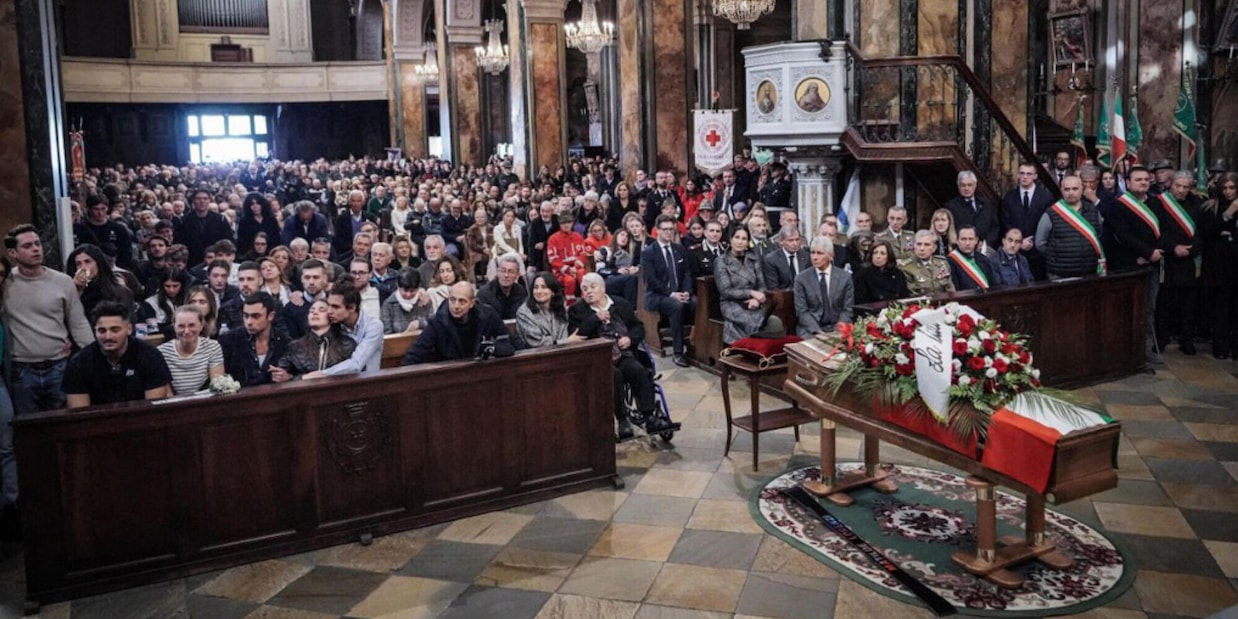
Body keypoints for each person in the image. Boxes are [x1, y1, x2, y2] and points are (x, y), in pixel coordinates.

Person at [569, 273, 676, 440]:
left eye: (592, 287)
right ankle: (622, 419)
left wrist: (630, 339)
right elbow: (577, 335)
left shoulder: (620, 304)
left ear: (603, 288)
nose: (588, 292)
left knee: (638, 370)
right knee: (615, 376)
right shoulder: (577, 310)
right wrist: (595, 318)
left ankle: (649, 417)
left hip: (623, 353)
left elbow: (638, 327)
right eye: (584, 289)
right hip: (598, 359)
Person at [3, 224, 95, 415]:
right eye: (27, 246)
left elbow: (78, 322)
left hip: (58, 365)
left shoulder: (62, 281)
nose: (36, 249)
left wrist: (92, 355)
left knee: (63, 426)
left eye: (37, 244)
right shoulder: (5, 282)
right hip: (21, 369)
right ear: (13, 252)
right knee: (29, 430)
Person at [1101, 165, 1163, 365]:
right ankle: (1122, 350)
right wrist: (1145, 253)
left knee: (1149, 308)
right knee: (1126, 308)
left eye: (1146, 179)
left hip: (1152, 265)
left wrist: (1154, 254)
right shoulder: (1118, 205)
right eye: (1138, 179)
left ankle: (1144, 350)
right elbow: (1122, 235)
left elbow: (1163, 232)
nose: (1143, 182)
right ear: (1128, 183)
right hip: (1127, 265)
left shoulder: (1156, 203)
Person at [63, 301, 172, 407]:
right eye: (102, 331)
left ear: (129, 329)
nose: (108, 336)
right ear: (94, 331)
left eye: (115, 330)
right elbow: (79, 415)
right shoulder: (80, 362)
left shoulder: (150, 356)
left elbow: (154, 410)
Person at [401, 281, 508, 365]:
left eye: (462, 301)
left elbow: (509, 340)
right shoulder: (438, 322)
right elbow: (415, 354)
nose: (456, 306)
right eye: (452, 300)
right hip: (449, 377)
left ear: (472, 303)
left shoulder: (487, 314)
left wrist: (492, 349)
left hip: (479, 373)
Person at [1155, 171, 1203, 355]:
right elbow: (1157, 230)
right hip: (1168, 260)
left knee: (1189, 303)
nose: (1181, 190)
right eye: (1178, 186)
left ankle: (1187, 339)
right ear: (1171, 184)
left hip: (1191, 261)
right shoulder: (1159, 203)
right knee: (1165, 302)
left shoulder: (1198, 204)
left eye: (1186, 187)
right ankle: (1162, 337)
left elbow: (1202, 232)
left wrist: (1191, 249)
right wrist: (1173, 247)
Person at [642, 214, 695, 367]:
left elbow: (686, 273)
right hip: (656, 295)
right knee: (675, 305)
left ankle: (695, 346)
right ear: (657, 230)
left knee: (697, 303)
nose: (669, 232)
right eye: (665, 229)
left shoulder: (679, 249)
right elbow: (651, 280)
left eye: (671, 229)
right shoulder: (649, 252)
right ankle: (678, 352)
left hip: (679, 293)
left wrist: (686, 291)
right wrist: (672, 294)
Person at [715, 226, 782, 344]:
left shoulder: (753, 258)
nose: (740, 242)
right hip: (732, 304)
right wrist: (751, 293)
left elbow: (762, 284)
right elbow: (725, 291)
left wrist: (757, 299)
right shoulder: (721, 261)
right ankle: (749, 348)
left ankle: (764, 350)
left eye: (744, 239)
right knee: (756, 323)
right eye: (737, 237)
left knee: (776, 322)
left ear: (748, 242)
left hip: (754, 302)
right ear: (731, 239)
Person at [1035, 175, 1105, 280]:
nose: (1071, 192)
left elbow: (1098, 235)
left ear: (1082, 189)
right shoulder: (1051, 213)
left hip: (1089, 272)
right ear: (1061, 190)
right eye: (1067, 189)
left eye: (1075, 189)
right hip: (1060, 274)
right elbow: (1040, 243)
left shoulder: (1094, 211)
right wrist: (1056, 256)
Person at [1199, 172, 1238, 358]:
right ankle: (1221, 347)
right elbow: (1208, 232)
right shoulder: (1211, 207)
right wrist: (1227, 215)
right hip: (1219, 267)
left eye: (1232, 187)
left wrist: (1229, 235)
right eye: (1225, 188)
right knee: (1221, 309)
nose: (1228, 192)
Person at [219, 292, 291, 387]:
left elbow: (295, 372)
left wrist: (288, 377)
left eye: (255, 316)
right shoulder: (228, 341)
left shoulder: (283, 341)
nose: (249, 322)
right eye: (246, 316)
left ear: (271, 316)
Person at [278, 299, 358, 379]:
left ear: (331, 316)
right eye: (311, 311)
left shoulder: (347, 344)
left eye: (321, 310)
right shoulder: (295, 347)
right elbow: (280, 377)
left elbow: (358, 374)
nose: (315, 313)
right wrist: (302, 378)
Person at [793, 236, 854, 338]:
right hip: (811, 329)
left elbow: (847, 309)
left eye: (820, 253)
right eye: (812, 252)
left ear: (831, 256)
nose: (814, 257)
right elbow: (802, 312)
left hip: (838, 327)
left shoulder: (845, 278)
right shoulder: (801, 279)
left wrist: (838, 330)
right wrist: (818, 331)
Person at [1002, 162, 1054, 280]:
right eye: (1022, 173)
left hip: (1038, 253)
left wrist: (1033, 241)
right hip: (1015, 251)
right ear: (1018, 175)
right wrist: (1019, 242)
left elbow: (1049, 224)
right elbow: (1005, 222)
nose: (1025, 177)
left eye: (1029, 174)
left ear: (1035, 176)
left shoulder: (1046, 197)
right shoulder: (1009, 197)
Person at [321, 279, 385, 375]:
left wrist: (322, 374)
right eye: (328, 305)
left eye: (335, 307)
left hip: (369, 383)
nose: (329, 311)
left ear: (351, 308)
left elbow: (356, 364)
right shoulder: (333, 325)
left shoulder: (374, 326)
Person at [157, 306, 225, 395]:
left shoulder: (213, 347)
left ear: (201, 326)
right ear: (174, 327)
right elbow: (165, 392)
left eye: (191, 325)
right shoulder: (161, 352)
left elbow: (217, 385)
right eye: (181, 326)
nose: (186, 331)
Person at [66, 243, 135, 319]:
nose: (83, 267)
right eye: (78, 264)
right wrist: (76, 291)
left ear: (98, 263)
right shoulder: (70, 292)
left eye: (88, 261)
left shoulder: (120, 292)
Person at [516, 272, 583, 347]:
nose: (539, 291)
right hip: (535, 355)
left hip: (562, 352)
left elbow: (564, 334)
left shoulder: (560, 308)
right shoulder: (524, 312)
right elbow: (536, 342)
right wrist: (566, 341)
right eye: (536, 287)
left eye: (544, 287)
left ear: (553, 292)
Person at [74, 194, 135, 271]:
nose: (100, 213)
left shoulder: (119, 229)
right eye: (96, 209)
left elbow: (126, 252)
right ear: (89, 209)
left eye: (103, 209)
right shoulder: (80, 229)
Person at [175, 189, 234, 268]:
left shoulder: (220, 219)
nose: (202, 201)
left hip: (216, 261)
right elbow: (179, 242)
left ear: (209, 200)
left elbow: (228, 240)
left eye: (205, 198)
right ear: (193, 200)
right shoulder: (183, 221)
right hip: (192, 262)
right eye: (198, 198)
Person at [945, 171, 1000, 249]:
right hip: (962, 250)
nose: (966, 188)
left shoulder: (987, 204)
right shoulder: (951, 207)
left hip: (985, 250)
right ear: (958, 186)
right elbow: (950, 231)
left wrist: (985, 243)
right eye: (963, 185)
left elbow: (995, 227)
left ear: (975, 185)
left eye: (969, 185)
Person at [136, 268, 192, 339]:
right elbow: (149, 333)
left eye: (175, 286)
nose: (171, 290)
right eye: (167, 286)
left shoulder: (190, 300)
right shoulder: (151, 303)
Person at [854, 239, 911, 304]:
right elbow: (860, 302)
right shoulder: (862, 274)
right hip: (872, 311)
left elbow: (905, 297)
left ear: (889, 256)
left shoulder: (898, 274)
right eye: (875, 253)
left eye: (882, 253)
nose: (878, 256)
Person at [899, 230, 955, 295]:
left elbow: (950, 289)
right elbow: (911, 295)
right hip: (921, 304)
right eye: (919, 244)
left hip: (944, 303)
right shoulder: (906, 267)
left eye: (927, 245)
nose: (922, 248)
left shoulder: (942, 263)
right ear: (914, 246)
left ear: (934, 248)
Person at [547, 211, 588, 298]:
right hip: (560, 270)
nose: (566, 225)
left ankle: (586, 298)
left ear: (572, 223)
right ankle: (570, 303)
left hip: (577, 267)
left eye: (569, 222)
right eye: (563, 223)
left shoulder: (578, 237)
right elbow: (553, 259)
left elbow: (583, 255)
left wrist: (576, 267)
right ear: (559, 224)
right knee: (570, 280)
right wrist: (568, 269)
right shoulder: (553, 239)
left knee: (583, 274)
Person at [381, 268, 434, 334]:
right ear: (398, 285)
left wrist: (420, 323)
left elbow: (434, 325)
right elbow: (387, 334)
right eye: (405, 291)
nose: (408, 295)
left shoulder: (425, 300)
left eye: (412, 291)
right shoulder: (388, 305)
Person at [477, 253, 528, 320]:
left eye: (511, 272)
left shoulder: (521, 291)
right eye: (503, 271)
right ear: (497, 272)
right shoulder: (484, 294)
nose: (506, 275)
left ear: (517, 275)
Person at [947, 225, 997, 291]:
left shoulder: (984, 259)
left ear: (976, 240)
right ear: (957, 241)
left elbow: (994, 285)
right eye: (963, 239)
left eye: (971, 239)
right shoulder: (950, 261)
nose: (967, 243)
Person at [761, 226, 810, 290]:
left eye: (797, 240)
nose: (795, 244)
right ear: (781, 241)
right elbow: (774, 288)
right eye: (790, 240)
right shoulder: (771, 260)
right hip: (783, 297)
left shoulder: (806, 256)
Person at [237, 192, 281, 257]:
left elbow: (276, 238)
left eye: (258, 203)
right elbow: (242, 241)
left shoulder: (271, 219)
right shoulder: (244, 221)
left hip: (271, 254)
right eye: (252, 204)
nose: (255, 206)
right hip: (250, 255)